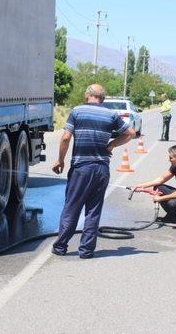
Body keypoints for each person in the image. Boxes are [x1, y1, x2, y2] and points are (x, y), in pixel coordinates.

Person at [52, 84, 135, 258]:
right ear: (102, 99)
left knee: (72, 207)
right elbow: (130, 133)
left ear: (86, 95)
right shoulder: (111, 114)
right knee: (93, 210)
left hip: (81, 169)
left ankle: (60, 247)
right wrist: (112, 144)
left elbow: (66, 137)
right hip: (101, 170)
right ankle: (86, 250)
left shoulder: (77, 111)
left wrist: (60, 160)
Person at [132, 145, 176, 228]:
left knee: (173, 204)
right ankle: (172, 217)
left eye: (171, 158)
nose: (169, 160)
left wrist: (159, 198)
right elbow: (161, 179)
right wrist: (139, 187)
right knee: (158, 187)